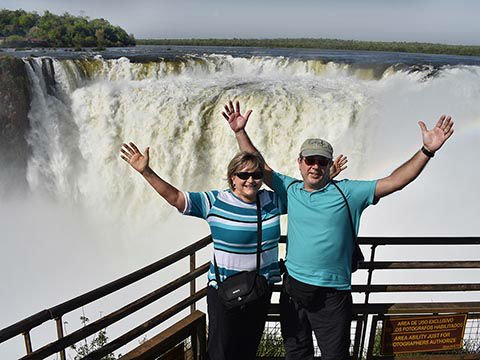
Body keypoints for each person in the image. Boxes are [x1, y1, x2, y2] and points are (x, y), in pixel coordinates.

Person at [222, 100, 454, 360]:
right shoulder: (290, 189)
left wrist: (426, 150)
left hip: (332, 295)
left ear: (329, 164)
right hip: (293, 291)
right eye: (310, 160)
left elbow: (395, 181)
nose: (315, 166)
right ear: (299, 162)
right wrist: (240, 131)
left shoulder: (349, 192)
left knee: (336, 355)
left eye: (321, 162)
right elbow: (260, 167)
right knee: (296, 354)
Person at [120, 142, 345, 359]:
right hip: (223, 292)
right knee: (220, 353)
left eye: (256, 175)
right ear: (232, 178)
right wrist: (146, 171)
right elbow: (177, 198)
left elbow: (304, 196)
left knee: (247, 350)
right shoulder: (215, 201)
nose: (251, 180)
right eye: (243, 175)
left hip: (259, 290)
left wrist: (325, 178)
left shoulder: (272, 201)